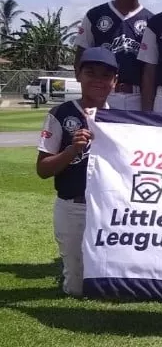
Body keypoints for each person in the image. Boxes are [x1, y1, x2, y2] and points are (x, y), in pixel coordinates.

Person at [36, 47, 118, 297]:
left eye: (106, 75)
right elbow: (42, 169)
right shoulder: (62, 113)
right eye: (90, 72)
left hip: (108, 207)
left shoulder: (120, 118)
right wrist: (72, 150)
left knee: (112, 282)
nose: (98, 80)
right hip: (74, 205)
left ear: (115, 82)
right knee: (77, 288)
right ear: (78, 75)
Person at [73, 0, 153, 111]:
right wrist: (88, 99)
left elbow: (150, 71)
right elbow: (79, 63)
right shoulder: (94, 16)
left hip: (137, 98)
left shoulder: (152, 21)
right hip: (101, 96)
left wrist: (147, 110)